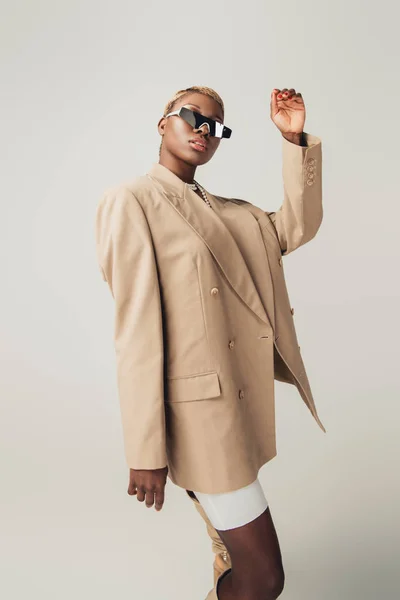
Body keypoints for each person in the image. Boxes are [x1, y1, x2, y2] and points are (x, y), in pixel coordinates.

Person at [95, 85, 326, 600]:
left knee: (255, 574)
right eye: (193, 116)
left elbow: (296, 226)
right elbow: (136, 332)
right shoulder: (131, 201)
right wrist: (145, 448)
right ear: (162, 123)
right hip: (199, 422)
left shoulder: (232, 214)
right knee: (265, 577)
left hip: (236, 411)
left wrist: (294, 141)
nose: (204, 129)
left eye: (216, 126)